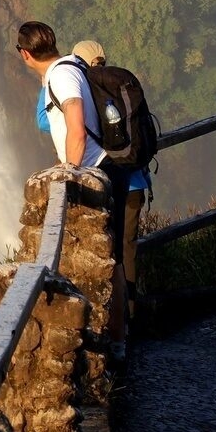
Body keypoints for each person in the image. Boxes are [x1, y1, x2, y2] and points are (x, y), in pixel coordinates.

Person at [16, 21, 128, 347]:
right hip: (102, 166)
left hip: (94, 169)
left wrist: (70, 171)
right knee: (113, 258)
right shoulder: (72, 65)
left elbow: (76, 125)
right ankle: (118, 339)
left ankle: (112, 341)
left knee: (107, 260)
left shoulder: (60, 75)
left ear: (25, 54)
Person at [73, 39, 149, 317]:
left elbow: (44, 121)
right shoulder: (120, 83)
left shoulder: (85, 89)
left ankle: (112, 320)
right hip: (135, 182)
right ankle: (130, 313)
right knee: (127, 248)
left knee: (107, 251)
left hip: (105, 184)